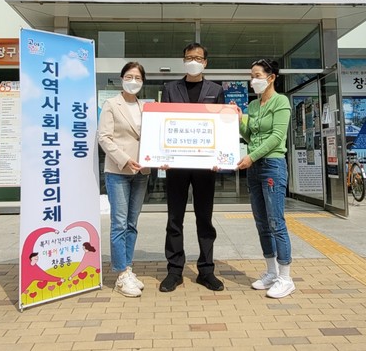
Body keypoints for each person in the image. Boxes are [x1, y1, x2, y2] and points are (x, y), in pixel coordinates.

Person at [159, 43, 225, 292]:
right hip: (176, 164)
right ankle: (174, 271)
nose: (193, 61)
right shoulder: (170, 89)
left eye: (198, 58)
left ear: (205, 62)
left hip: (206, 166)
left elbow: (221, 127)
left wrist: (221, 157)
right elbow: (163, 124)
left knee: (204, 218)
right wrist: (161, 154)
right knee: (174, 218)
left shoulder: (216, 90)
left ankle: (206, 270)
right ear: (183, 60)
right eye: (189, 57)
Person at [236, 59, 295, 298]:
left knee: (276, 222)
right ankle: (271, 272)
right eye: (251, 76)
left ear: (271, 78)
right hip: (254, 168)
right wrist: (239, 120)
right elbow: (250, 137)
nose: (253, 80)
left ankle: (286, 278)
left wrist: (251, 157)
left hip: (272, 165)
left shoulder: (281, 102)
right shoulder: (253, 105)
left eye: (257, 75)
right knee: (261, 222)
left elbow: (276, 137)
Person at [98, 62, 150, 297]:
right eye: (129, 77)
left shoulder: (145, 107)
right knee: (119, 223)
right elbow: (104, 137)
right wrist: (124, 159)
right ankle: (121, 274)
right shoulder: (111, 104)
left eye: (137, 78)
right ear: (121, 79)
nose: (133, 81)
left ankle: (128, 268)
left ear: (143, 81)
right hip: (118, 171)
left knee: (132, 222)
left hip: (141, 171)